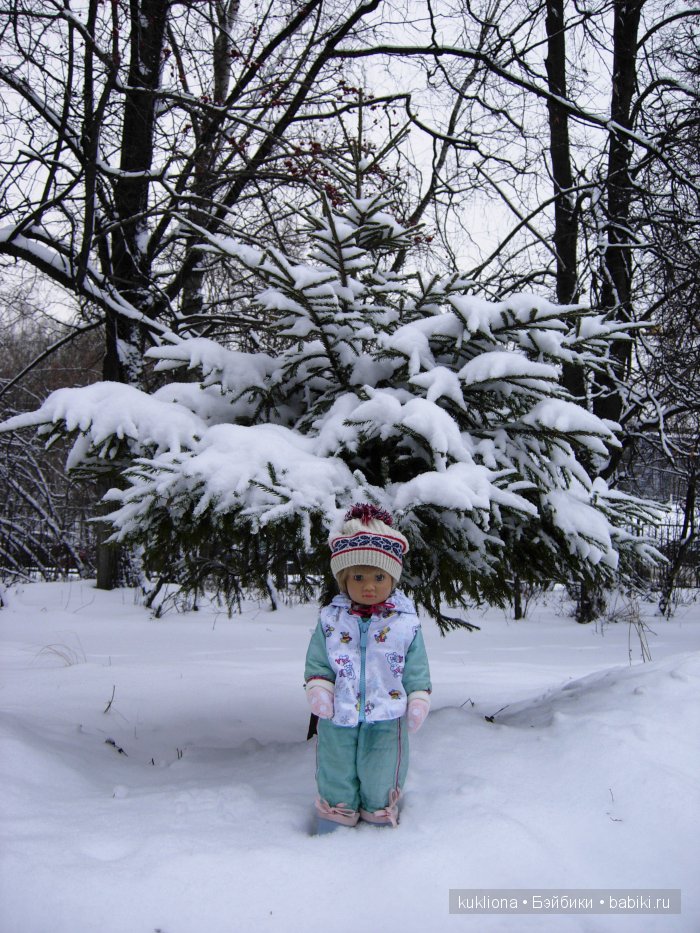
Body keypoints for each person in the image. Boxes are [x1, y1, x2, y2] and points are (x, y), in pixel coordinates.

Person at [304, 503, 431, 833]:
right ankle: (336, 814)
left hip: (386, 715)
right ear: (343, 579)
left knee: (382, 766)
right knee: (336, 767)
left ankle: (378, 813)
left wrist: (418, 696)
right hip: (338, 713)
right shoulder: (331, 620)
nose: (369, 586)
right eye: (358, 577)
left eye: (379, 577)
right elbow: (319, 659)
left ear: (392, 578)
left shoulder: (405, 624)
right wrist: (319, 686)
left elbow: (416, 666)